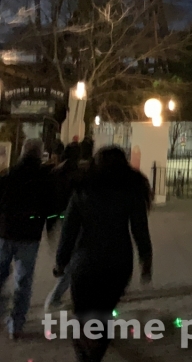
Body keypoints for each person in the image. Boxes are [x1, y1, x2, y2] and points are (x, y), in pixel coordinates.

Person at [55, 146, 153, 362]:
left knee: (82, 314)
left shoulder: (83, 189)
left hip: (85, 261)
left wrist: (61, 262)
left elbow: (69, 230)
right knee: (103, 313)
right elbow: (140, 229)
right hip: (118, 261)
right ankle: (96, 354)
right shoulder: (131, 190)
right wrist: (146, 259)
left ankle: (84, 355)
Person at [0, 139, 55, 339]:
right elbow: (50, 208)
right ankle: (16, 324)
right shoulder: (45, 178)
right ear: (40, 154)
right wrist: (50, 230)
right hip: (29, 236)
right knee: (23, 280)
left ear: (22, 152)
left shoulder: (9, 174)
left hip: (5, 233)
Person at [44, 142, 84, 313]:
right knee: (72, 261)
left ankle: (60, 293)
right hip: (74, 220)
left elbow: (49, 198)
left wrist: (49, 223)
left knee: (67, 257)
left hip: (57, 217)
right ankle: (55, 298)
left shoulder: (55, 172)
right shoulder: (80, 174)